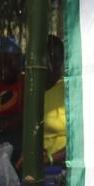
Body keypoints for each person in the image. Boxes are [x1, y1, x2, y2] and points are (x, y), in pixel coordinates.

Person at [41, 35, 67, 166]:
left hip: (63, 166)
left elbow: (82, 142)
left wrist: (50, 159)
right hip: (40, 165)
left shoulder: (69, 91)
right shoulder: (32, 91)